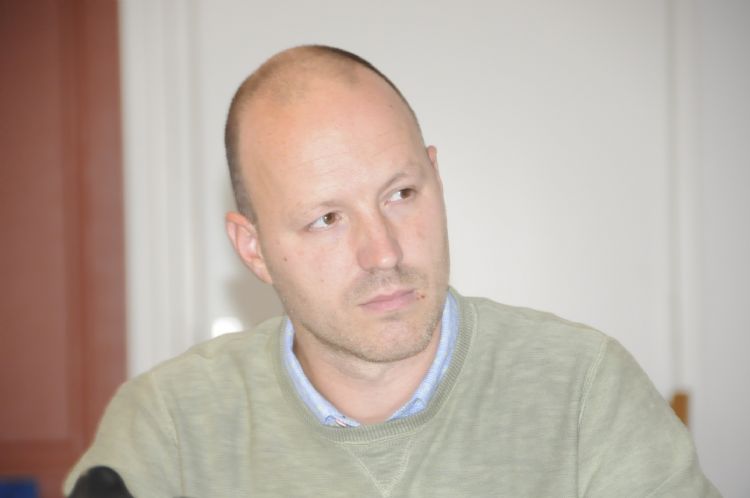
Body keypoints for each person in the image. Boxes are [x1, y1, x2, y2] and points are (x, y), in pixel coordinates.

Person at [63, 45, 721, 497]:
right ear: (254, 248)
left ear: (437, 176)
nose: (383, 252)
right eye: (327, 218)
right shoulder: (170, 426)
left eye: (401, 194)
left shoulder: (585, 390)